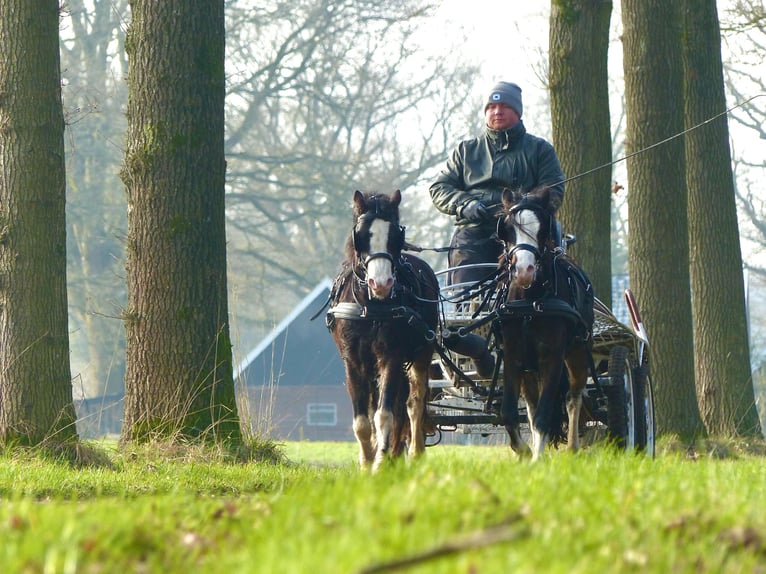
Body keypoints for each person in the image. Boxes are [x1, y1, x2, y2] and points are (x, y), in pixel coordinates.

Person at [430, 81, 565, 285]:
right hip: (475, 234)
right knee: (464, 292)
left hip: (525, 233)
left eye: (505, 106)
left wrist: (523, 207)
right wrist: (464, 204)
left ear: (518, 112)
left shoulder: (540, 150)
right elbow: (439, 187)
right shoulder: (466, 151)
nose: (497, 112)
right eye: (491, 107)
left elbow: (553, 191)